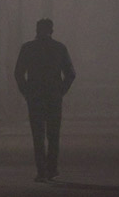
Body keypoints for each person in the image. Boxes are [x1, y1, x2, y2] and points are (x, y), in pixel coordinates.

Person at [14, 17, 76, 182]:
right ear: (52, 30)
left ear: (36, 30)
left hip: (35, 96)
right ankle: (52, 168)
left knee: (38, 134)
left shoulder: (28, 48)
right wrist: (61, 90)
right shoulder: (59, 48)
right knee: (53, 134)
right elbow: (71, 73)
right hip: (54, 96)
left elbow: (19, 73)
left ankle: (41, 170)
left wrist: (26, 91)